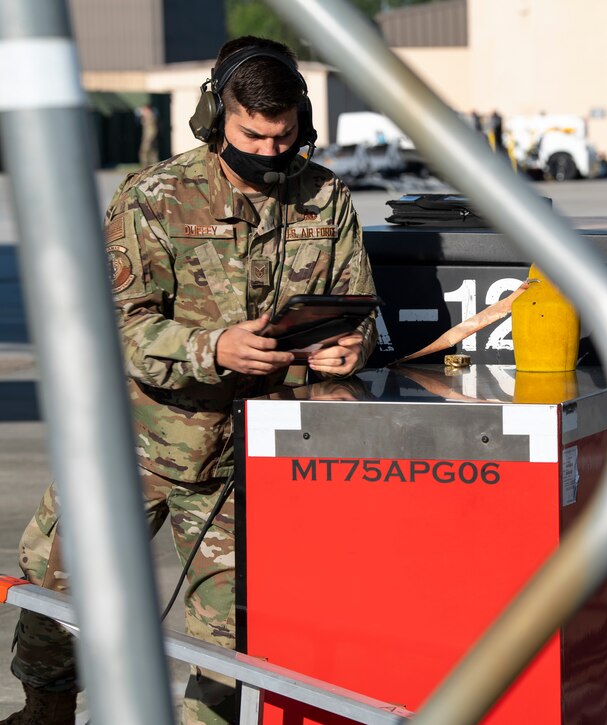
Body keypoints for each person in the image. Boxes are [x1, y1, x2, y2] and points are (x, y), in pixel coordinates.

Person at [2, 36, 377, 725]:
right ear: (213, 116)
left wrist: (350, 349)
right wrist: (213, 347)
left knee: (232, 643)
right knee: (60, 607)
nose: (268, 152)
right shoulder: (153, 198)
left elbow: (359, 309)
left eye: (284, 136)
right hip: (135, 445)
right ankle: (44, 716)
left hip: (249, 463)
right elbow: (112, 326)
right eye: (251, 135)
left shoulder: (327, 199)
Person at [137, 103, 159, 168]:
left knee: (144, 152)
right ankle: (153, 167)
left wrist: (149, 139)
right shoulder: (150, 116)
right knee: (152, 153)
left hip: (149, 137)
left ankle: (145, 167)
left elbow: (153, 129)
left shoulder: (150, 116)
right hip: (148, 137)